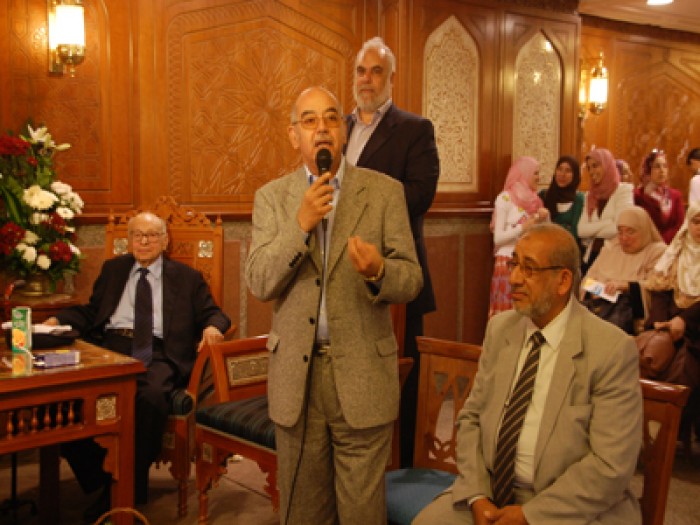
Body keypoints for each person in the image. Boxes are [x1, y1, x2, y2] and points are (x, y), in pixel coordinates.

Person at [245, 86, 422, 525]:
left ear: (343, 131)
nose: (321, 129)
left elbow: (411, 279)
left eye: (330, 119)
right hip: (297, 380)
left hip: (362, 375)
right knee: (304, 513)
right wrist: (300, 225)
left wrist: (380, 271)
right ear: (294, 136)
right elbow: (260, 282)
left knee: (362, 512)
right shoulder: (272, 198)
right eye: (309, 120)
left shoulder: (384, 192)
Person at [414, 223, 642, 525]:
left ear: (563, 281)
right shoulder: (501, 329)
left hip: (572, 505)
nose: (514, 278)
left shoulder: (610, 349)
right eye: (514, 264)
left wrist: (529, 515)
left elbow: (610, 465)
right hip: (492, 491)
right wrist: (478, 495)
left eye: (529, 269)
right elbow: (471, 419)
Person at [44, 211, 231, 521]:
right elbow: (93, 312)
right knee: (67, 398)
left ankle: (121, 493)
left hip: (159, 353)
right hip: (111, 348)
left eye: (152, 235)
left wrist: (213, 328)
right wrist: (58, 319)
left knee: (151, 397)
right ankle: (104, 479)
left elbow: (215, 313)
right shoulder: (114, 269)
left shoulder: (187, 278)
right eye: (137, 235)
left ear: (165, 241)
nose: (144, 241)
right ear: (129, 240)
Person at [345, 36, 440, 468]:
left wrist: (364, 208)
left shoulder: (415, 130)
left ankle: (402, 472)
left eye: (376, 71)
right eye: (361, 71)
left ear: (391, 78)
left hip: (394, 272)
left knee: (399, 380)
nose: (366, 79)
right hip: (342, 274)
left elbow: (420, 195)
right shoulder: (339, 128)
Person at [642, 204, 700, 439]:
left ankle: (672, 434)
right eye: (696, 222)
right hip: (671, 327)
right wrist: (660, 322)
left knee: (685, 371)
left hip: (696, 328)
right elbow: (661, 291)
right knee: (648, 361)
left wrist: (684, 320)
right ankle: (649, 436)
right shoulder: (676, 253)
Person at [581, 206, 666, 334]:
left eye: (630, 232)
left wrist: (626, 286)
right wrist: (598, 290)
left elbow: (657, 288)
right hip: (596, 313)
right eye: (620, 232)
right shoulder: (610, 249)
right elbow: (587, 280)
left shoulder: (657, 252)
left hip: (631, 324)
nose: (624, 238)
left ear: (643, 230)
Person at [489, 156, 549, 318]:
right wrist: (523, 227)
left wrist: (545, 219)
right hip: (508, 262)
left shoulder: (536, 201)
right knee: (506, 316)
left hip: (529, 263)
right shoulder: (505, 198)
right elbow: (498, 238)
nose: (539, 177)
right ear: (524, 173)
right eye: (535, 173)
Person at [578, 147, 634, 272]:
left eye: (595, 166)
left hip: (616, 258)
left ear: (607, 165)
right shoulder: (589, 196)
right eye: (589, 168)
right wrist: (609, 222)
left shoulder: (623, 191)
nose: (591, 171)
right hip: (592, 257)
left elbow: (620, 228)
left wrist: (592, 231)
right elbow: (581, 230)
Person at [634, 149, 685, 244]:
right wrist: (648, 196)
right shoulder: (638, 195)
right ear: (648, 170)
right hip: (647, 245)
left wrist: (662, 241)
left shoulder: (675, 195)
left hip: (672, 245)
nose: (662, 170)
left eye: (665, 166)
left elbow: (680, 225)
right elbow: (638, 225)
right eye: (657, 166)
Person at [538, 155, 584, 247]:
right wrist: (565, 226)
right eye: (560, 169)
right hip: (543, 246)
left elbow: (574, 232)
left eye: (568, 171)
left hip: (567, 248)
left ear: (575, 175)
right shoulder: (544, 195)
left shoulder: (578, 199)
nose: (562, 174)